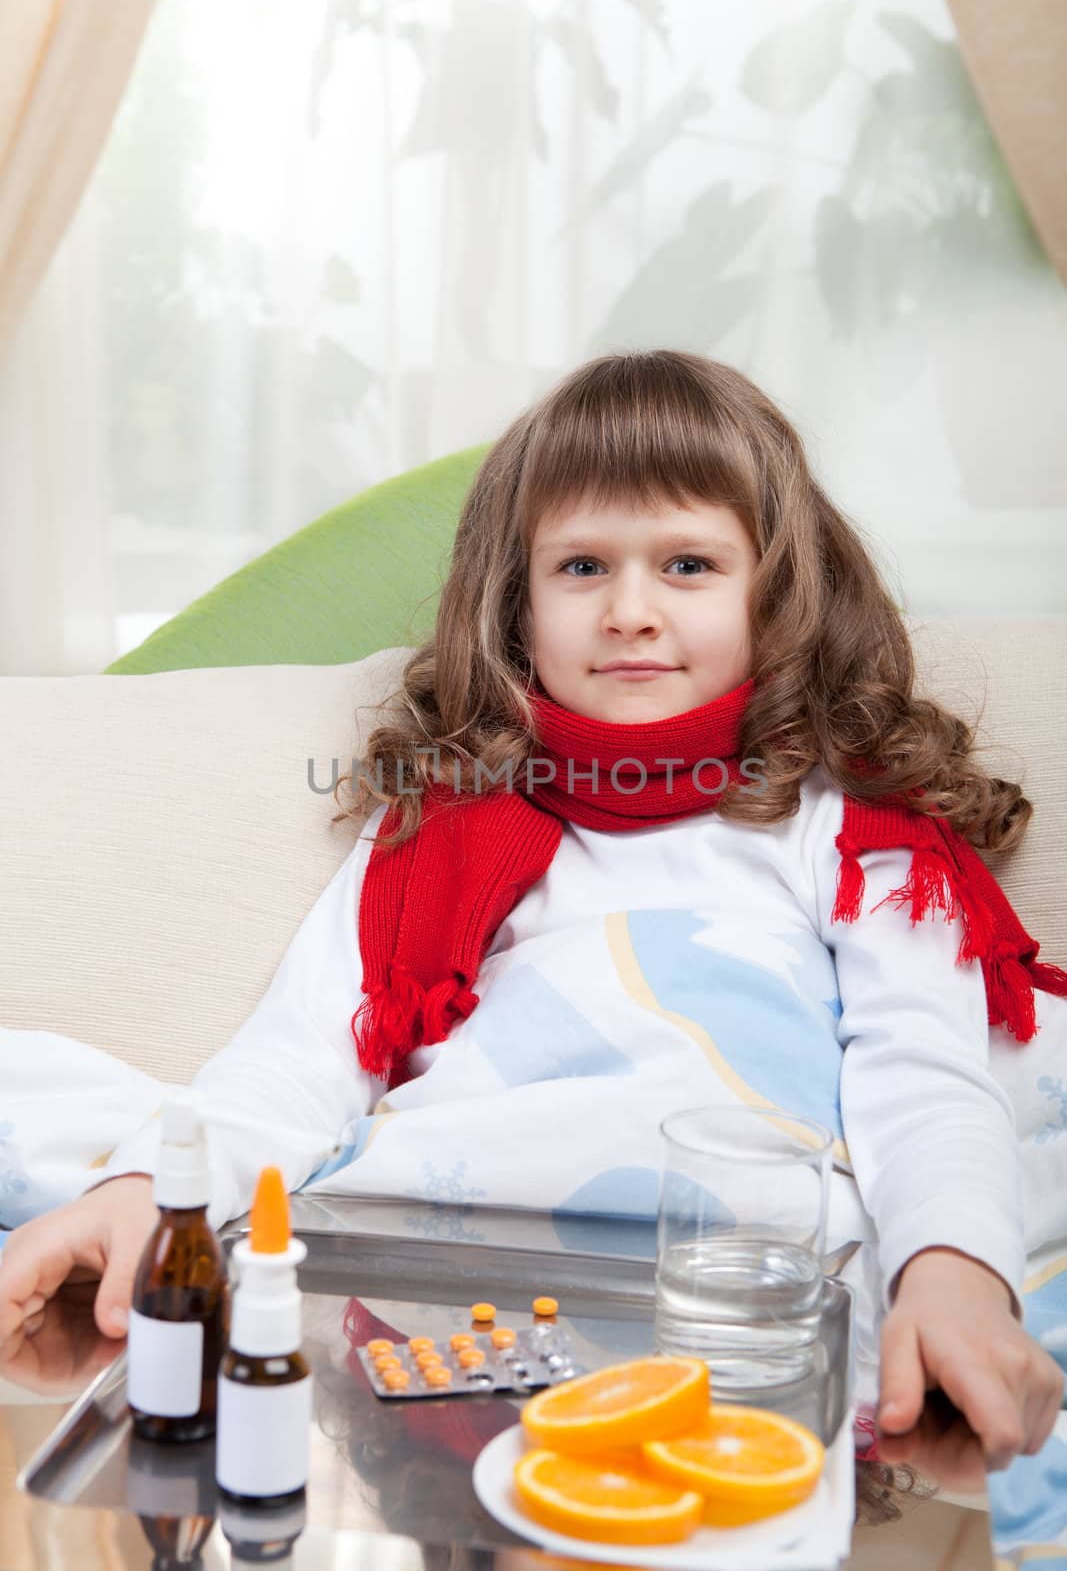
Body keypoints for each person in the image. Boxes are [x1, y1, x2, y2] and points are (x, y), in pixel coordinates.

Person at [1, 351, 1064, 1505]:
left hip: (752, 1256)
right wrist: (150, 1199)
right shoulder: (448, 821)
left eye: (688, 564)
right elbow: (301, 1058)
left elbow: (924, 1070)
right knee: (78, 1136)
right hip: (482, 1245)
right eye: (582, 565)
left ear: (774, 589)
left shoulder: (849, 820)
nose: (629, 610)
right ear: (516, 597)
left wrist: (955, 1274)